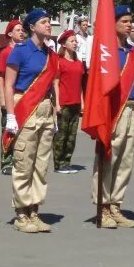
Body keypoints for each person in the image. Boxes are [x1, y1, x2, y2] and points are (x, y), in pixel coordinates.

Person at [4, 8, 59, 233]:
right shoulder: (20, 51)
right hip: (26, 107)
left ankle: (34, 211)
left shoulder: (51, 54)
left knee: (41, 164)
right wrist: (9, 115)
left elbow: (51, 86)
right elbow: (8, 84)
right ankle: (21, 213)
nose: (48, 25)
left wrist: (54, 113)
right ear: (32, 26)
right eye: (44, 22)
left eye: (49, 21)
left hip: (45, 109)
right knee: (24, 163)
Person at [92, 5, 134, 229]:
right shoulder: (106, 52)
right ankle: (103, 207)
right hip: (113, 111)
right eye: (124, 21)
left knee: (125, 160)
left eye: (130, 21)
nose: (129, 25)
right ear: (112, 23)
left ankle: (116, 204)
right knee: (108, 158)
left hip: (131, 109)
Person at [51, 29, 84, 174]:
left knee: (72, 136)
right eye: (72, 41)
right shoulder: (59, 62)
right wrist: (57, 103)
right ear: (64, 44)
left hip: (75, 103)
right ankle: (58, 163)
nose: (75, 43)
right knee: (61, 135)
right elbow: (55, 83)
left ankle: (67, 161)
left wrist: (82, 102)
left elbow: (80, 85)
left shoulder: (78, 62)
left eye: (76, 41)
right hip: (63, 103)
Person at [0, 19, 25, 175]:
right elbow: (1, 77)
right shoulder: (6, 53)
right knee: (8, 129)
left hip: (23, 98)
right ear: (10, 34)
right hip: (9, 97)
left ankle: (18, 160)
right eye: (18, 30)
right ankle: (6, 161)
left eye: (22, 30)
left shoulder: (24, 51)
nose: (21, 32)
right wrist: (2, 98)